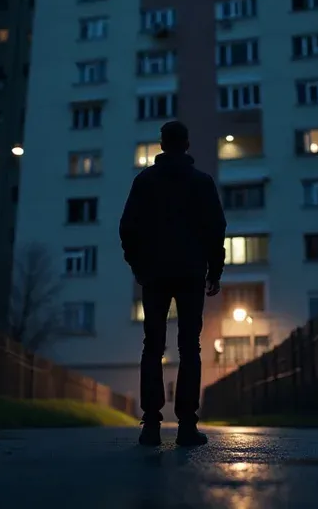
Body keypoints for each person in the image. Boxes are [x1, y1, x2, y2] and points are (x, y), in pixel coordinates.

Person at [119, 120, 227, 447]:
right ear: (187, 144)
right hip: (191, 273)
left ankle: (151, 424)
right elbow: (215, 229)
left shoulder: (145, 181)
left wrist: (137, 265)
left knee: (152, 346)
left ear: (162, 144)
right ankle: (187, 426)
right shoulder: (202, 183)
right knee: (189, 347)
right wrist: (215, 271)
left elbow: (128, 228)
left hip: (154, 273)